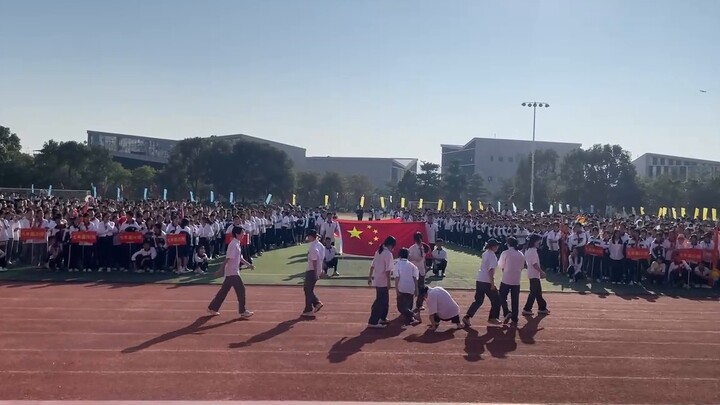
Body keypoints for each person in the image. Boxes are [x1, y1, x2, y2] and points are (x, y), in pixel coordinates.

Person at [207, 226, 255, 318]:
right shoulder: (233, 244)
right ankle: (243, 311)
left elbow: (240, 258)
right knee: (241, 290)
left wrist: (249, 265)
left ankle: (212, 308)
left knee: (223, 291)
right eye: (242, 233)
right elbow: (227, 258)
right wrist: (220, 270)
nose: (243, 234)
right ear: (237, 234)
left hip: (231, 272)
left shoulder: (237, 243)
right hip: (232, 272)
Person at [463, 238, 502, 326]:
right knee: (497, 300)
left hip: (480, 279)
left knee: (479, 300)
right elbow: (490, 270)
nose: (498, 247)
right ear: (493, 246)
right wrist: (492, 283)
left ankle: (467, 316)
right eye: (497, 245)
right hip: (486, 281)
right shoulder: (492, 256)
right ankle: (493, 318)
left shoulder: (485, 253)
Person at [367, 236, 396, 329]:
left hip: (378, 279)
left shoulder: (379, 251)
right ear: (391, 245)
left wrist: (370, 277)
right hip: (382, 280)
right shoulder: (387, 254)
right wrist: (389, 282)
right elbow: (388, 270)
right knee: (381, 301)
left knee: (384, 300)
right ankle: (373, 321)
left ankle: (382, 317)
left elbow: (373, 265)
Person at [498, 237, 525, 325]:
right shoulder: (520, 254)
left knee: (502, 296)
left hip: (506, 278)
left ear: (508, 244)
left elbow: (501, 265)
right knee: (515, 299)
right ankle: (514, 317)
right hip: (516, 279)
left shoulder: (505, 253)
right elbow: (522, 267)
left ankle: (506, 311)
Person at [523, 234, 550, 316]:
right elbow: (534, 264)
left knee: (538, 292)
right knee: (534, 292)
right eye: (538, 241)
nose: (540, 242)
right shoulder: (533, 251)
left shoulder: (528, 250)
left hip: (532, 273)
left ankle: (542, 307)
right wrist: (541, 271)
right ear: (534, 241)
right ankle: (527, 308)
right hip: (534, 274)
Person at [393, 247, 420, 326]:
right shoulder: (412, 265)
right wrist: (416, 289)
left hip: (402, 287)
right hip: (411, 288)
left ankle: (413, 315)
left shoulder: (397, 265)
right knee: (409, 305)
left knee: (401, 307)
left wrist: (396, 289)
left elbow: (397, 278)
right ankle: (410, 316)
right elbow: (415, 278)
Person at [302, 229, 324, 317]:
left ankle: (309, 308)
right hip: (316, 269)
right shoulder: (320, 245)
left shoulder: (313, 247)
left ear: (311, 237)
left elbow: (314, 260)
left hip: (312, 270)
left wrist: (315, 273)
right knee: (307, 289)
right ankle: (315, 303)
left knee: (308, 289)